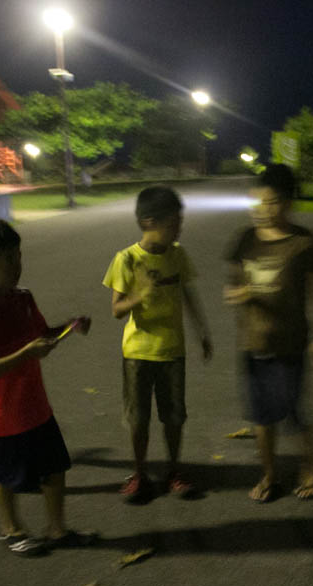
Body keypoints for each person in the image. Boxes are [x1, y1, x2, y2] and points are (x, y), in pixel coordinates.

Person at [0, 218, 93, 556]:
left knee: (54, 467)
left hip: (36, 406)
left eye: (19, 256)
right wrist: (25, 354)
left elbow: (42, 335)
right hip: (4, 415)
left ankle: (56, 529)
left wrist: (69, 327)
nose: (18, 266)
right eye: (9, 261)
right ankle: (11, 529)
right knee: (5, 477)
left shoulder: (23, 298)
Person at [224, 164, 313, 503]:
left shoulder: (304, 242)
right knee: (260, 415)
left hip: (291, 342)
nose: (262, 210)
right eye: (256, 202)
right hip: (254, 342)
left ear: (288, 203)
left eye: (271, 202)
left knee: (294, 411)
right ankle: (269, 473)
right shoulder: (243, 240)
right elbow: (231, 287)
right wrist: (237, 295)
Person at [102, 186, 212, 504]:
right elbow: (116, 309)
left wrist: (202, 331)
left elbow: (188, 294)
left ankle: (174, 471)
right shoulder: (127, 259)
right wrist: (141, 295)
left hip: (173, 350)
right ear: (149, 221)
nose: (179, 227)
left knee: (174, 416)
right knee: (139, 418)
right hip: (138, 352)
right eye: (174, 222)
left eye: (180, 221)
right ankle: (139, 474)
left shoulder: (178, 255)